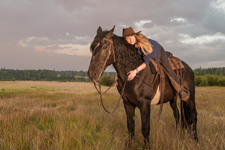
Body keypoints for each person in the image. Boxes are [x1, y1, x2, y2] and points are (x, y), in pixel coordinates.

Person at [121, 27, 189, 101]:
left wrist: (135, 71)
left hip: (158, 51)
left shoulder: (143, 45)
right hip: (147, 54)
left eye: (131, 37)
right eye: (127, 38)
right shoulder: (131, 45)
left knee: (168, 69)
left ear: (134, 35)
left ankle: (181, 90)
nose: (130, 40)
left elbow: (146, 63)